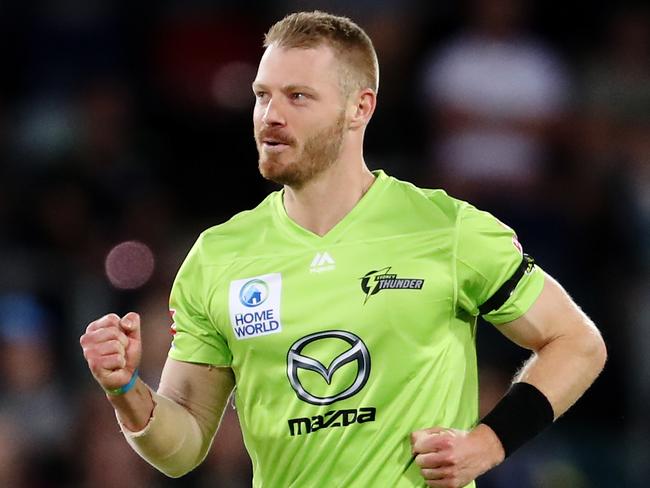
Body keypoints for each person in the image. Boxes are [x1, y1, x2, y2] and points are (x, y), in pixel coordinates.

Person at [79, 11, 607, 488]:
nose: (270, 116)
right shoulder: (218, 256)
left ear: (361, 107)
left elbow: (576, 342)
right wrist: (126, 389)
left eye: (298, 96)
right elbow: (184, 446)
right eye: (262, 95)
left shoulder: (445, 229)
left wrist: (488, 444)